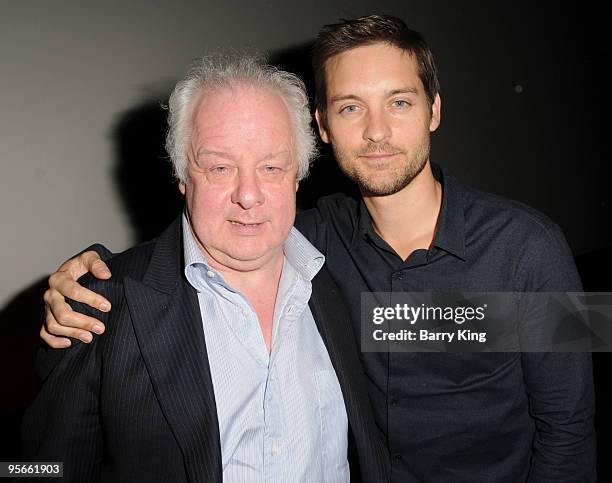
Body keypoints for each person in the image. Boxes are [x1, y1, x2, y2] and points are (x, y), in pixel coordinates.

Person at [40, 15, 596, 482]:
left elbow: (571, 428)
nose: (377, 132)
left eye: (399, 102)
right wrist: (89, 272)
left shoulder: (534, 245)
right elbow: (217, 225)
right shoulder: (316, 241)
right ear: (323, 126)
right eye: (351, 107)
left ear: (434, 110)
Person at [22, 53, 389, 482]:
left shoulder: (349, 274)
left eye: (271, 167)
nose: (248, 195)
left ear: (297, 175)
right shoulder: (98, 303)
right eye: (219, 167)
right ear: (183, 176)